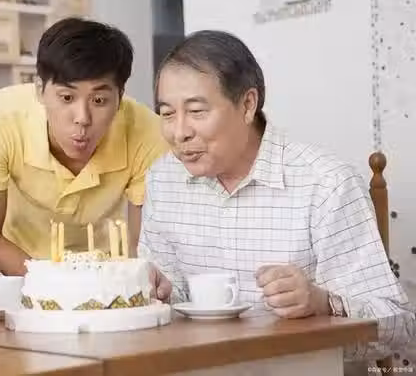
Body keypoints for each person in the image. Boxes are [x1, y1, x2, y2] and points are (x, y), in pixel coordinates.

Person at [138, 30, 415, 360]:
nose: (179, 132)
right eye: (167, 114)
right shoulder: (163, 179)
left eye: (197, 111)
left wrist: (322, 303)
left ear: (247, 105)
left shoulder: (325, 183)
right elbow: (171, 296)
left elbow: (399, 328)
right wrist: (158, 293)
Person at [0, 17, 167, 275]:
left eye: (99, 100)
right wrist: (56, 286)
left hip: (106, 276)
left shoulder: (149, 132)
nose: (82, 118)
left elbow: (144, 248)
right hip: (16, 270)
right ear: (40, 90)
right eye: (67, 97)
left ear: (120, 97)